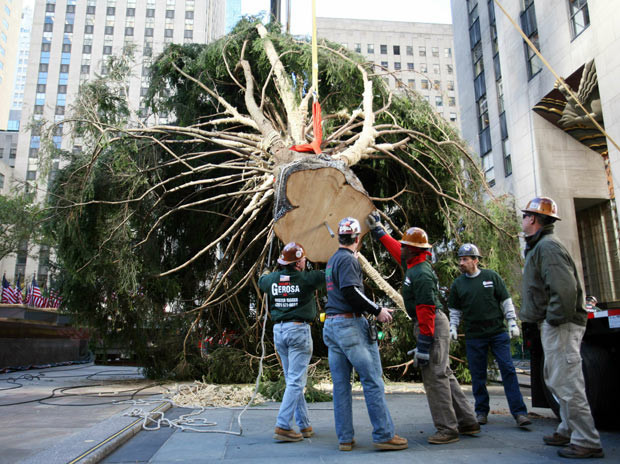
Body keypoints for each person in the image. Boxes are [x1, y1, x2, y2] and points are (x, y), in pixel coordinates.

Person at [367, 213, 479, 444]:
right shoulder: (414, 263)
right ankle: (468, 421)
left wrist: (424, 344)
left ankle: (447, 429)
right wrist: (380, 232)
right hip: (432, 324)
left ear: (414, 250)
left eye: (406, 245)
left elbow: (427, 309)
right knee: (444, 374)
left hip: (431, 325)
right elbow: (397, 250)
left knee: (435, 377)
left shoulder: (422, 274)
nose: (402, 247)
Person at [519, 197, 604, 459]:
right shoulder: (541, 247)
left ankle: (587, 440)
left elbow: (565, 290)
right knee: (557, 379)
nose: (522, 220)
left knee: (567, 382)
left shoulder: (548, 248)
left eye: (525, 216)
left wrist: (553, 321)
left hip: (561, 324)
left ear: (533, 219)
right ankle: (568, 429)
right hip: (555, 323)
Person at [322, 217, 408, 452]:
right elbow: (351, 293)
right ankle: (384, 434)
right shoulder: (348, 260)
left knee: (341, 386)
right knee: (372, 381)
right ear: (358, 238)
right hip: (350, 327)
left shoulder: (332, 260)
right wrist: (377, 310)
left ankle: (345, 438)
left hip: (332, 326)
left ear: (340, 237)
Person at [448, 243, 531, 427]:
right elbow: (454, 309)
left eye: (465, 259)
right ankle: (481, 412)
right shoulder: (458, 284)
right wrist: (452, 327)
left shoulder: (491, 277)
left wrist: (511, 322)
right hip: (474, 336)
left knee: (508, 371)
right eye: (460, 259)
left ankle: (519, 413)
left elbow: (505, 300)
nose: (461, 263)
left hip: (497, 333)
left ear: (475, 260)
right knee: (478, 375)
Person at [258, 242, 324, 442]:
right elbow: (328, 275)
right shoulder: (307, 279)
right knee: (296, 381)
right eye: (303, 259)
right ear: (297, 263)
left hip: (279, 332)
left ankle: (304, 425)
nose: (305, 262)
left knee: (292, 380)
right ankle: (283, 425)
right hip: (298, 332)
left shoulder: (272, 280)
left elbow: (262, 281)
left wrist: (267, 271)